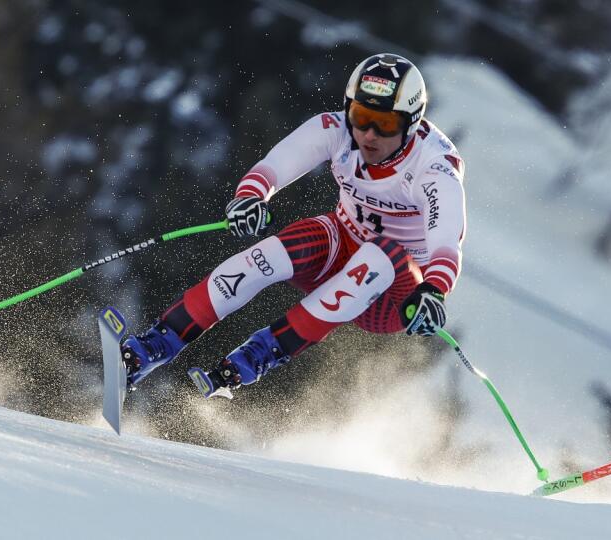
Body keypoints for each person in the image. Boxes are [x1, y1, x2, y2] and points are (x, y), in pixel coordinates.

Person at [120, 53, 466, 399]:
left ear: (412, 122)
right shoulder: (337, 129)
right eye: (361, 117)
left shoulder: (435, 166)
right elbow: (274, 167)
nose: (369, 134)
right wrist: (250, 198)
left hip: (393, 295)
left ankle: (259, 354)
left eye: (385, 124)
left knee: (382, 252)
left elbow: (447, 241)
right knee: (265, 255)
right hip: (340, 245)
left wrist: (434, 291)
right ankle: (154, 346)